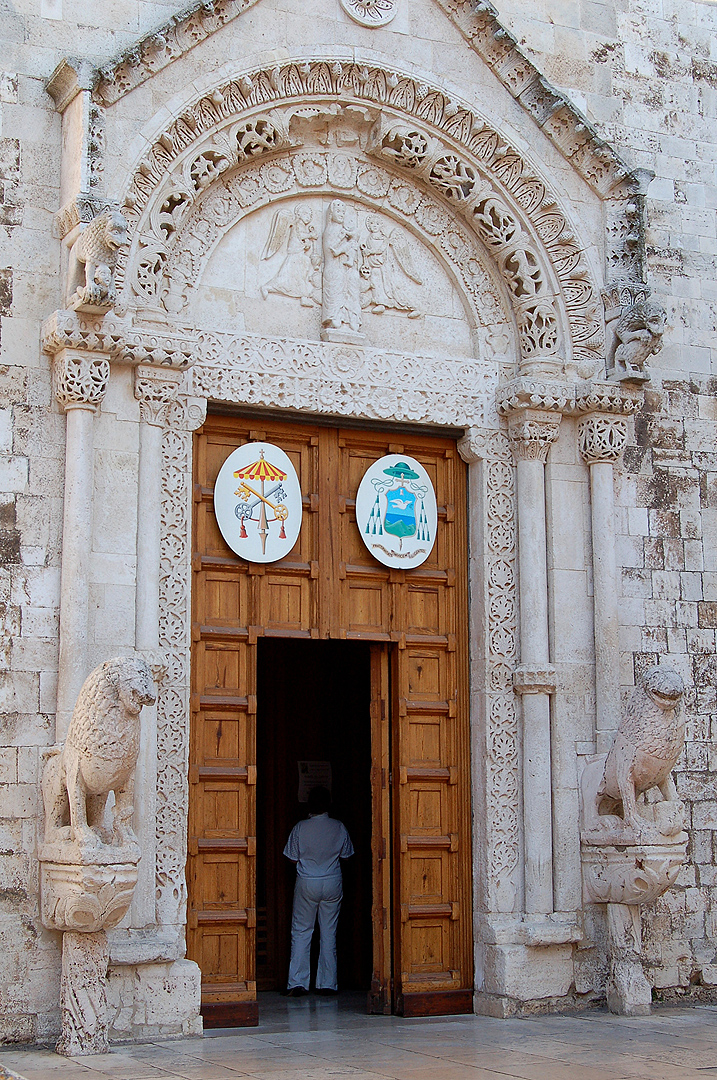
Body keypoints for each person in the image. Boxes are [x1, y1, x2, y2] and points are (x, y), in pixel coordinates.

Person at [282, 785, 354, 996]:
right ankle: (327, 983)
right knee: (329, 932)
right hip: (332, 881)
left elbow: (291, 857)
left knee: (302, 931)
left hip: (307, 881)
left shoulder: (300, 827)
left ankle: (298, 983)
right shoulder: (338, 826)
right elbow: (347, 855)